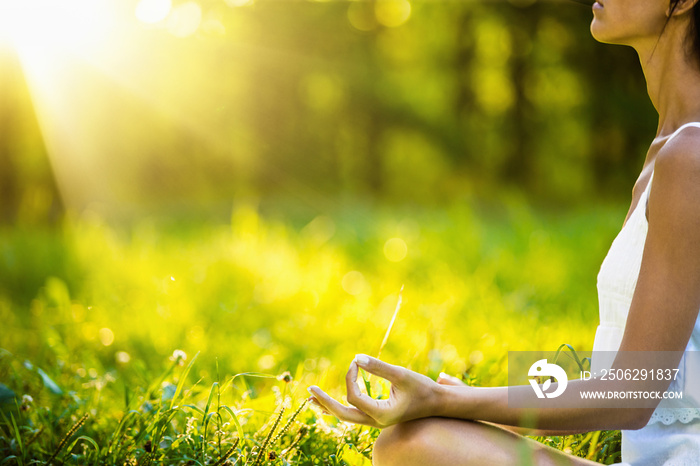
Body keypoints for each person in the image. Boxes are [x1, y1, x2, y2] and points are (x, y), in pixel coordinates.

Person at [307, 0, 700, 464]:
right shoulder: (670, 149)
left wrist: (445, 400)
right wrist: (476, 399)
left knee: (414, 445)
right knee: (419, 438)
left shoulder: (689, 156)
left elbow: (633, 394)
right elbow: (662, 369)